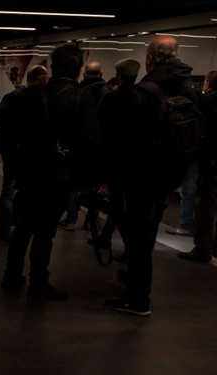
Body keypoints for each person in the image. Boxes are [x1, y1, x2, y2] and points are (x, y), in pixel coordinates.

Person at [105, 35, 201, 316]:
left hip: (141, 176)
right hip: (172, 174)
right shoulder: (191, 88)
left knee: (138, 236)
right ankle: (136, 287)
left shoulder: (143, 92)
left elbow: (126, 140)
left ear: (150, 59)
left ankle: (138, 299)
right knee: (147, 232)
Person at [1, 44, 101, 300]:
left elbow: (13, 133)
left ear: (53, 67)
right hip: (59, 174)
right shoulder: (81, 98)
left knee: (23, 225)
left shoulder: (32, 95)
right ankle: (38, 282)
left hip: (30, 171)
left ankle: (11, 275)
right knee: (46, 228)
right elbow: (91, 141)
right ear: (78, 70)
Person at [0, 64, 49, 242]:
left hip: (12, 149)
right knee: (23, 190)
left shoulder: (14, 96)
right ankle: (18, 223)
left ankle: (5, 227)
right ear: (41, 79)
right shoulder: (44, 99)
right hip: (30, 152)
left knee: (8, 188)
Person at [92, 58, 142, 253]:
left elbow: (102, 132)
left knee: (116, 205)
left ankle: (129, 246)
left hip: (114, 159)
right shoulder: (141, 97)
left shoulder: (111, 98)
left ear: (119, 75)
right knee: (124, 204)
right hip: (135, 160)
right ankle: (108, 238)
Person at [59, 60, 109, 230]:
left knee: (74, 184)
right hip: (98, 144)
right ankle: (91, 218)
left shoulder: (77, 92)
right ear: (101, 74)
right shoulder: (107, 93)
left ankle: (71, 217)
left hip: (77, 145)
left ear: (84, 74)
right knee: (95, 184)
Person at [179, 70, 217, 262]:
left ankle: (203, 247)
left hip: (210, 160)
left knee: (206, 204)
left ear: (208, 84)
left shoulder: (208, 101)